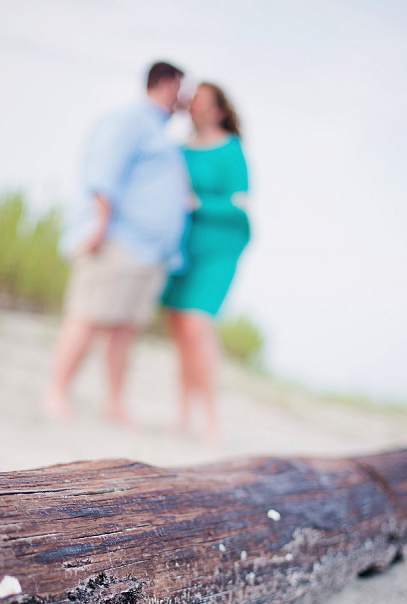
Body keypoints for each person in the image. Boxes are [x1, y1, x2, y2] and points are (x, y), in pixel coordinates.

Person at [43, 62, 188, 422]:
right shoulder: (130, 119)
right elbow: (104, 170)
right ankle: (56, 393)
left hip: (148, 251)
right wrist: (100, 224)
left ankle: (114, 403)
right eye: (181, 90)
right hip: (117, 239)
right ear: (167, 83)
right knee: (87, 316)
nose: (182, 100)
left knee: (125, 327)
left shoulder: (159, 131)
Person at [162, 82, 250, 442]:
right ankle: (182, 415)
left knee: (198, 325)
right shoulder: (178, 148)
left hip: (219, 248)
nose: (193, 104)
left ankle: (212, 420)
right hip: (181, 248)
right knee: (179, 330)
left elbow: (240, 203)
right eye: (191, 98)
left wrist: (199, 203)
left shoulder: (231, 149)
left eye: (200, 100)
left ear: (217, 110)